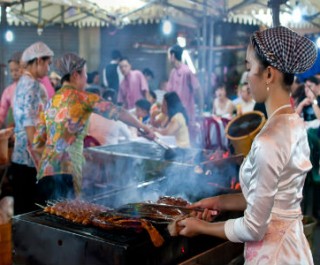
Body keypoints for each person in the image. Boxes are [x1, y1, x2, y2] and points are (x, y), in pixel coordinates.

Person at [172, 26, 317, 264]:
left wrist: (201, 227)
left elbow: (253, 228)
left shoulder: (268, 140)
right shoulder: (295, 124)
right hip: (293, 248)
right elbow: (270, 199)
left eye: (249, 67)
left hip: (273, 256)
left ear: (269, 74)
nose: (246, 76)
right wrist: (220, 201)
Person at [32, 53, 154, 204]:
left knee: (46, 221)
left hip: (45, 173)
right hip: (68, 173)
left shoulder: (51, 102)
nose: (86, 79)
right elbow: (116, 111)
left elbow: (36, 143)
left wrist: (45, 164)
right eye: (84, 74)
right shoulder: (82, 98)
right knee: (66, 220)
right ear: (76, 75)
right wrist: (142, 127)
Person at [11, 42, 54, 214]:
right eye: (48, 63)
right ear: (38, 61)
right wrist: (41, 155)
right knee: (34, 212)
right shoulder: (33, 85)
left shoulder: (22, 82)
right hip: (30, 160)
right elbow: (29, 122)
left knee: (21, 211)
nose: (48, 68)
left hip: (20, 157)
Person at [166, 44, 203, 122]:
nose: (168, 57)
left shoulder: (186, 71)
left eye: (169, 55)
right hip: (175, 112)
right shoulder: (173, 72)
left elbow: (198, 89)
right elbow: (169, 93)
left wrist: (200, 109)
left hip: (186, 112)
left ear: (173, 55)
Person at [0, 51, 23, 128]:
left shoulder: (33, 86)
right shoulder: (8, 91)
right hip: (18, 127)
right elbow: (2, 109)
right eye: (11, 71)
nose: (14, 73)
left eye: (16, 70)